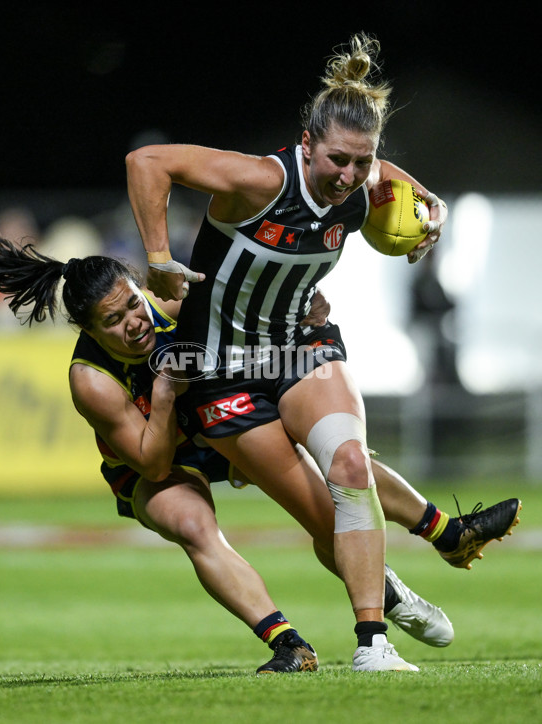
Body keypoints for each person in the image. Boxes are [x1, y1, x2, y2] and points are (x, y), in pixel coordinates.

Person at [124, 33, 521, 670]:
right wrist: (159, 259)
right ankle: (400, 579)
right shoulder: (257, 180)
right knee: (323, 519)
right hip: (222, 372)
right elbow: (146, 162)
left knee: (349, 468)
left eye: (362, 163)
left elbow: (417, 194)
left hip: (299, 348)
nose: (348, 177)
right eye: (337, 160)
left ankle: (373, 645)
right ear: (307, 144)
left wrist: (434, 212)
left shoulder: (366, 183)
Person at [0, 235, 463, 675]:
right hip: (155, 461)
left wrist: (304, 312)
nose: (134, 324)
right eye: (112, 322)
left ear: (141, 289)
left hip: (213, 427)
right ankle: (289, 644)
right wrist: (163, 394)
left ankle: (414, 566)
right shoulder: (90, 380)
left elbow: (257, 317)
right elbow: (153, 463)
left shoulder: (170, 306)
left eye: (133, 305)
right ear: (89, 331)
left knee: (336, 470)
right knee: (192, 524)